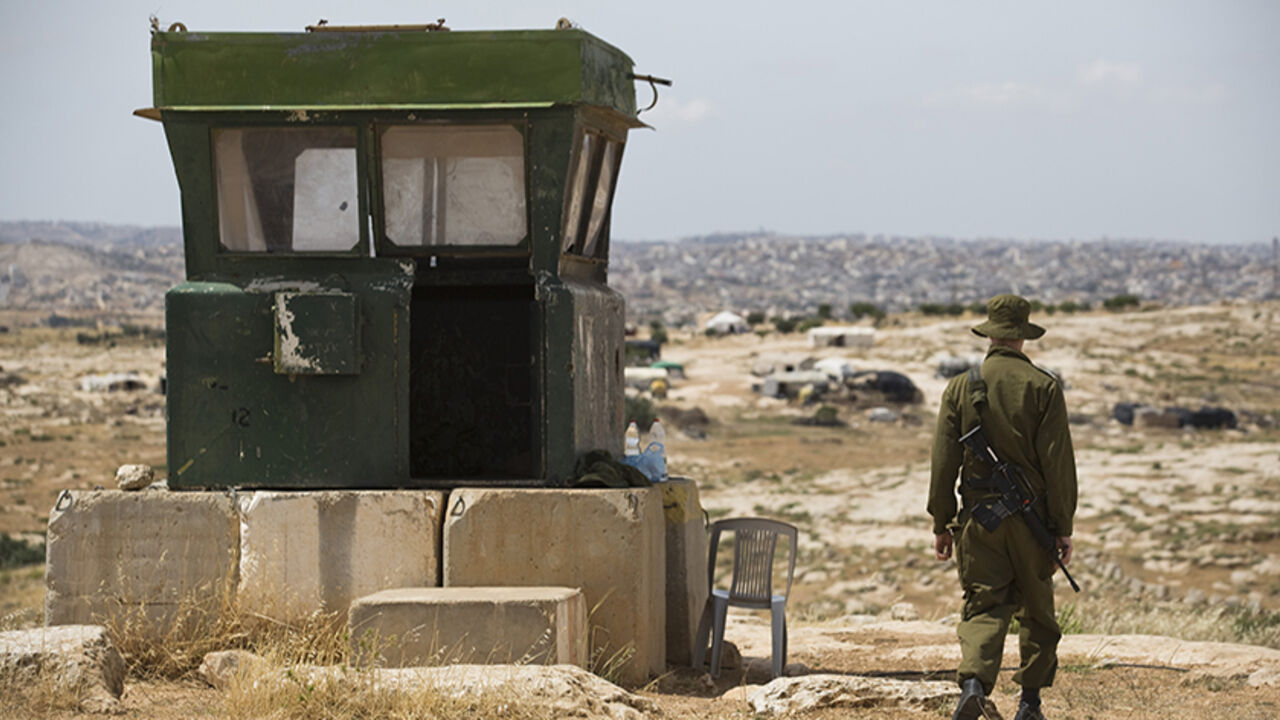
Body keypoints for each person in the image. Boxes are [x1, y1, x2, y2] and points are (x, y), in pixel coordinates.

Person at [929, 294, 1078, 720]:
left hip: (979, 522)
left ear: (990, 332)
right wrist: (1062, 526)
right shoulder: (1044, 387)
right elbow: (1058, 466)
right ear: (1022, 336)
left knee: (984, 604)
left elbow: (943, 464)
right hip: (1034, 523)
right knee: (1037, 609)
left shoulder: (960, 387)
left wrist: (942, 522)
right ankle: (1030, 703)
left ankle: (974, 685)